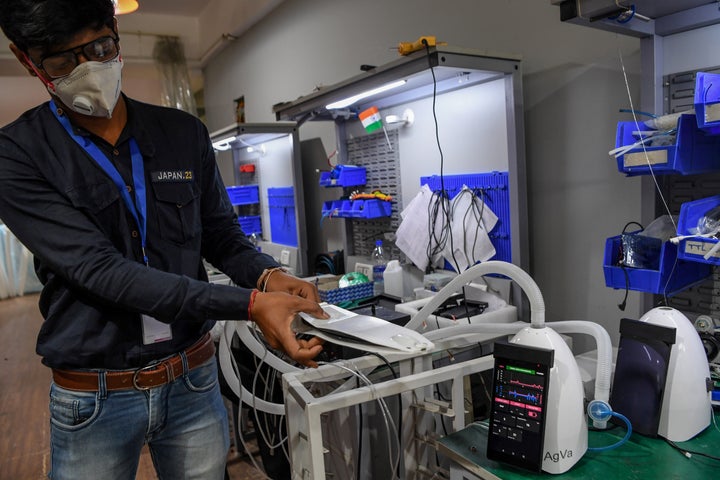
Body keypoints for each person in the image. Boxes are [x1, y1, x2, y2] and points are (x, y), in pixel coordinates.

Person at [0, 1, 328, 479]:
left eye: (98, 47)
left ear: (114, 30)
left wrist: (268, 274)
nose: (86, 68)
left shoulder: (182, 133)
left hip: (191, 380)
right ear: (28, 60)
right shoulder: (18, 155)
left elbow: (219, 234)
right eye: (61, 61)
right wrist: (252, 303)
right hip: (95, 395)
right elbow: (100, 270)